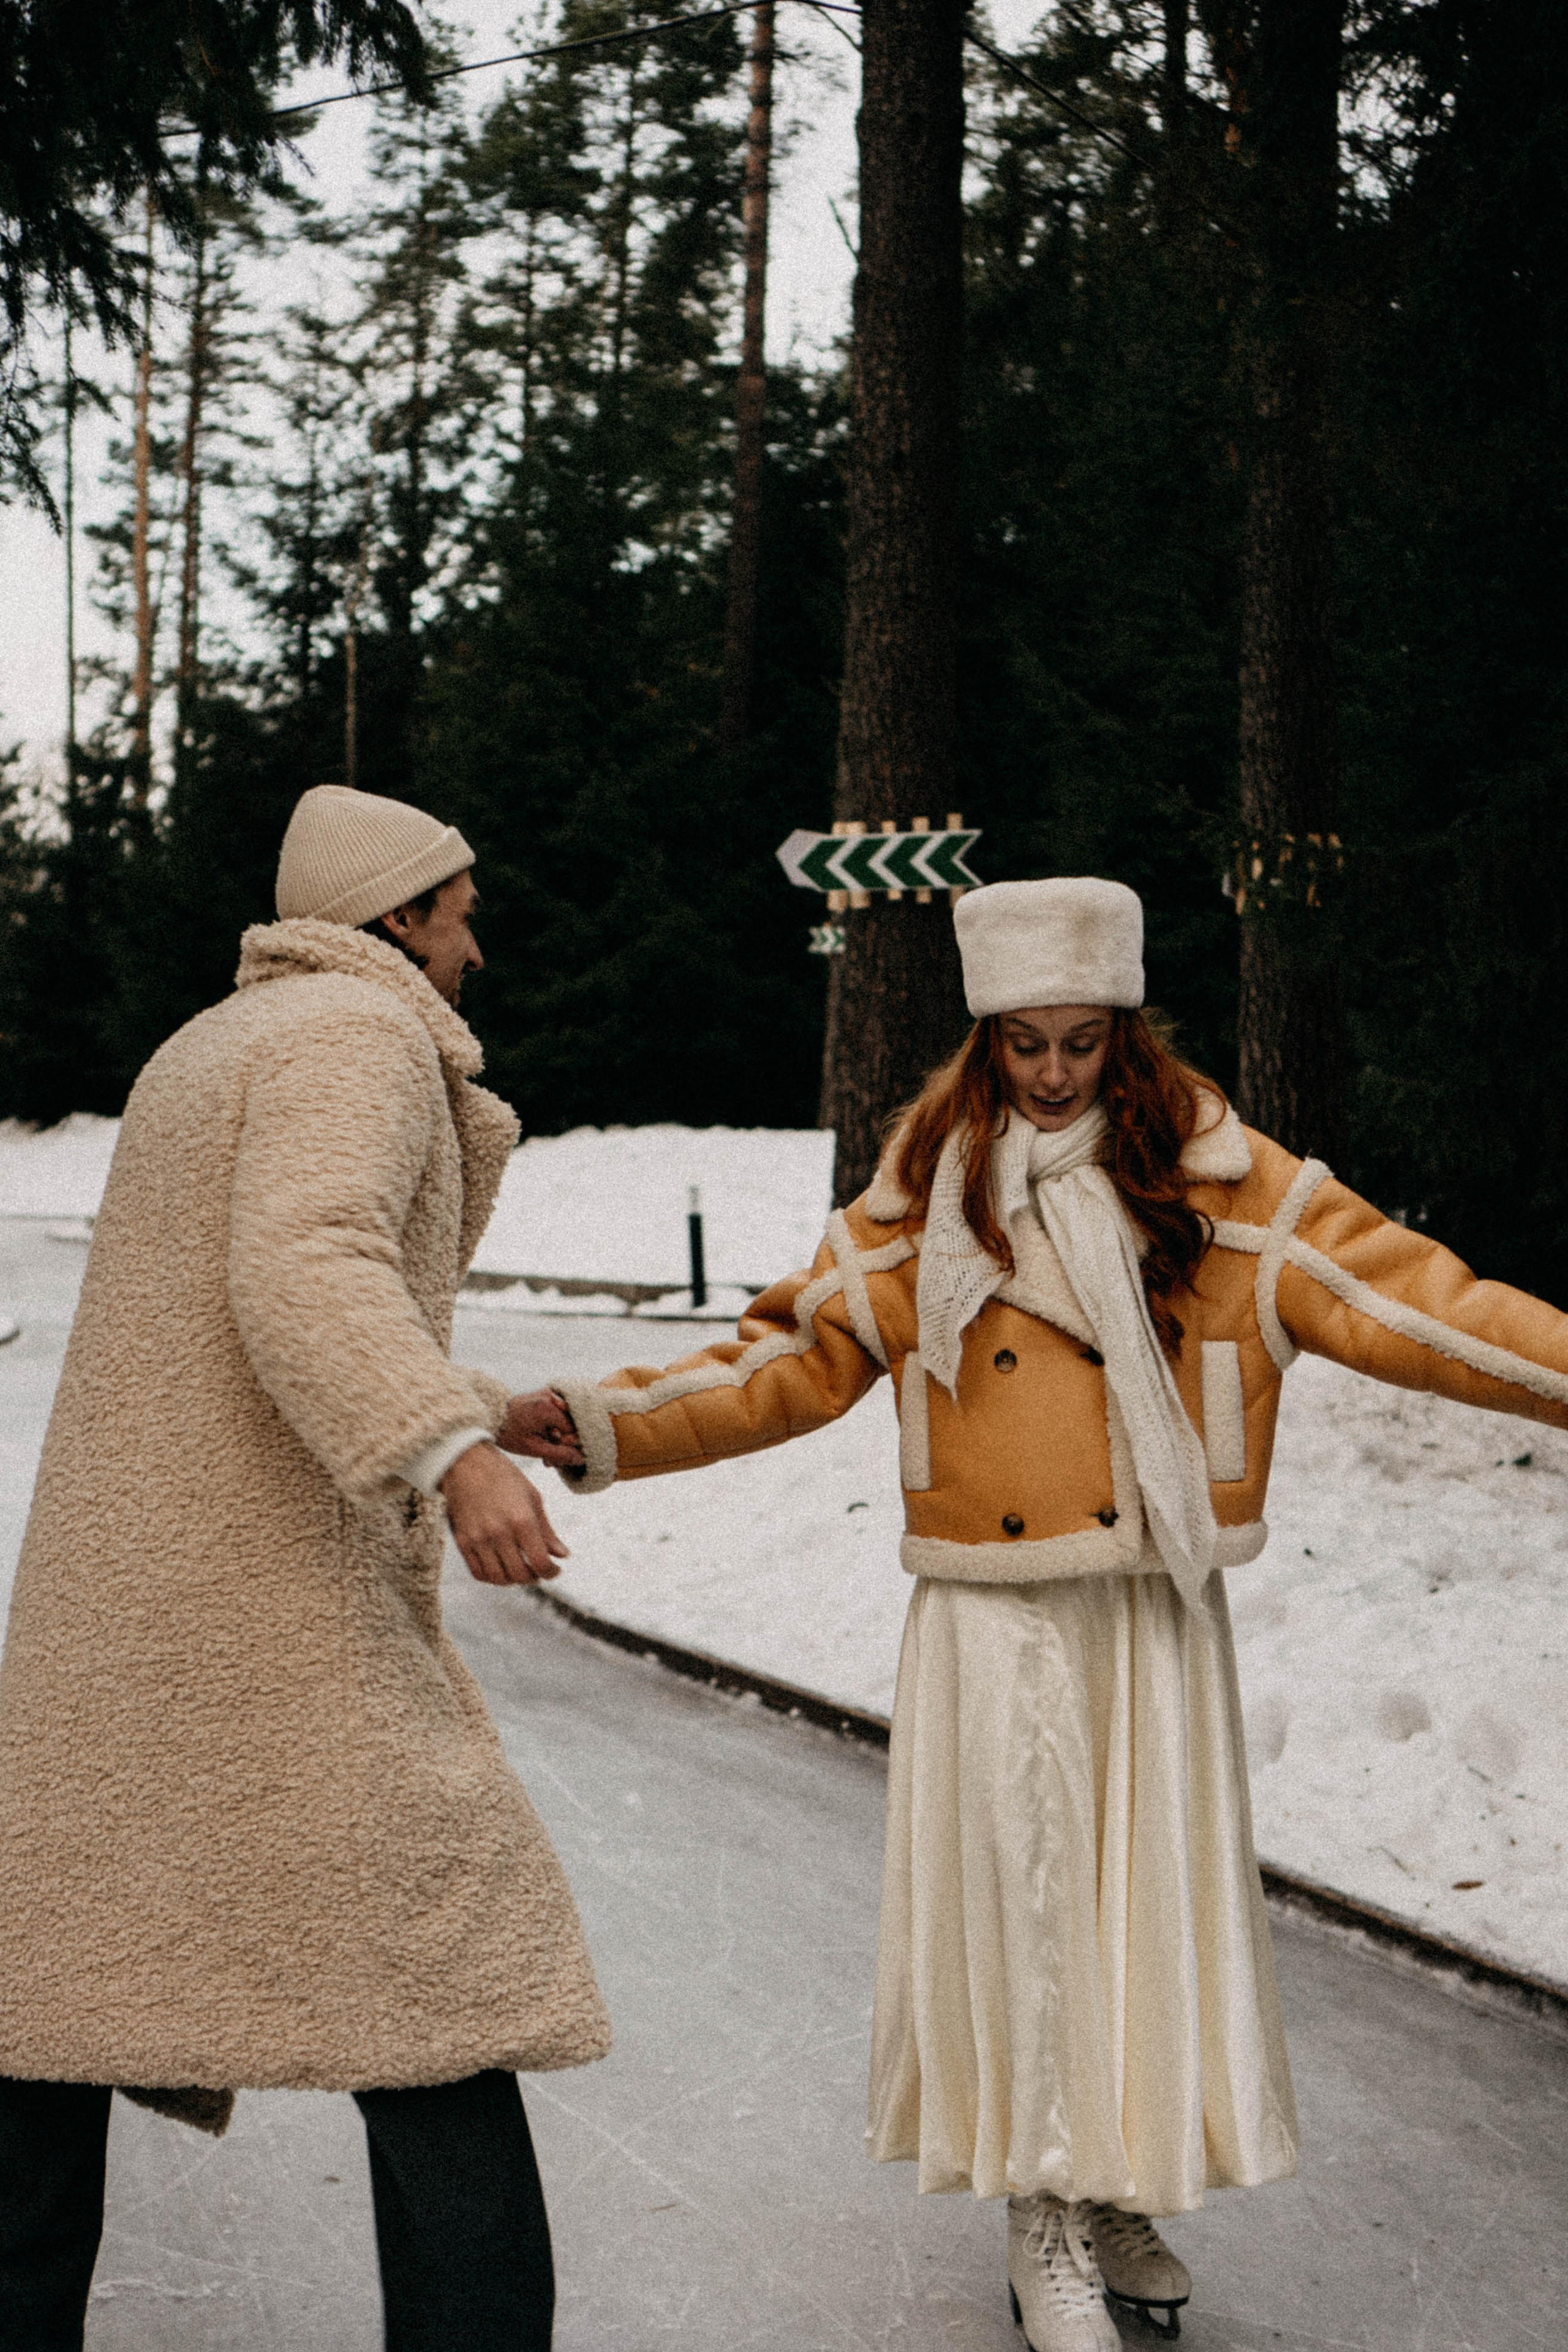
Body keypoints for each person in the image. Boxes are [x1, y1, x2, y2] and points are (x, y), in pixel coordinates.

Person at [547, 875, 1568, 2351]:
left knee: (1131, 1909)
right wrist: (596, 1420)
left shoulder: (1227, 1194)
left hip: (1148, 1606)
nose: (1048, 1072)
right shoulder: (921, 1207)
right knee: (1026, 1907)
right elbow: (776, 1362)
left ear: (1126, 1033)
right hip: (992, 1612)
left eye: (1079, 1041)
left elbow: (1428, 1307)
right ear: (982, 1040)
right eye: (1020, 1043)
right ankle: (1040, 2212)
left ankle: (1102, 2185)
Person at [0, 784, 605, 2351]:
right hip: (271, 1619)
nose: (477, 949)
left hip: (124, 1619)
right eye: (460, 914)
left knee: (54, 2012)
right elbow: (306, 1263)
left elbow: (230, 1331)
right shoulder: (359, 1037)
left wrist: (477, 1404)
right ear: (397, 917)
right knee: (446, 1996)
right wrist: (448, 1451)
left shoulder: (207, 1046)